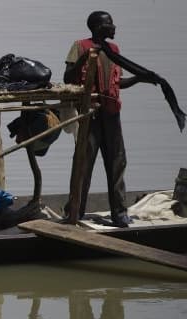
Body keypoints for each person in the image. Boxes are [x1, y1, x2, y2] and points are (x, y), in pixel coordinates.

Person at [64, 11, 151, 227]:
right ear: (97, 27)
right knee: (83, 164)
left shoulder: (114, 50)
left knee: (117, 162)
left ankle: (119, 213)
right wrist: (86, 57)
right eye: (109, 23)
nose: (113, 27)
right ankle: (75, 211)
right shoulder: (80, 46)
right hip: (90, 115)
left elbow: (117, 83)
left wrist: (140, 78)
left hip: (111, 115)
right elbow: (68, 77)